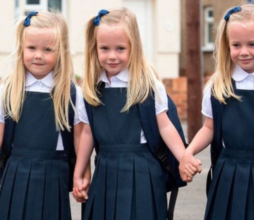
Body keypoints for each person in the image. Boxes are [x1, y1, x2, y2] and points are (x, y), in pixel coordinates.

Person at [73, 8, 187, 220]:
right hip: (105, 170)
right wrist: (79, 173)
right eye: (104, 48)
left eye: (120, 48)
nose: (112, 56)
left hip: (144, 171)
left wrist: (183, 157)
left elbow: (165, 126)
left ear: (133, 47)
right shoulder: (89, 89)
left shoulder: (148, 84)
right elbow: (87, 133)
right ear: (95, 48)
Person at [0, 11, 87, 220]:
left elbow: (81, 138)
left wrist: (82, 175)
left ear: (60, 52)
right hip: (17, 171)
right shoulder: (8, 90)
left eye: (47, 49)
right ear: (21, 49)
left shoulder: (71, 93)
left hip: (55, 173)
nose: (38, 55)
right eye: (32, 48)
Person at [179, 1, 254, 219]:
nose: (244, 52)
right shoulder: (218, 85)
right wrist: (188, 152)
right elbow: (209, 128)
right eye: (236, 45)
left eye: (252, 44)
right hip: (229, 175)